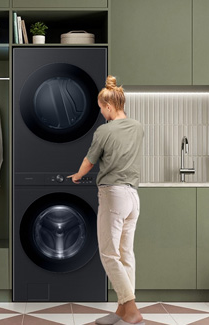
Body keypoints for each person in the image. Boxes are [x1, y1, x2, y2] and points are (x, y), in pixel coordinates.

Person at [68, 75, 145, 325]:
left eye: (101, 108)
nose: (101, 113)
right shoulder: (138, 127)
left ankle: (131, 309)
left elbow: (90, 161)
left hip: (114, 196)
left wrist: (77, 176)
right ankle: (122, 311)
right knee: (126, 254)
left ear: (109, 106)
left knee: (109, 254)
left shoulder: (104, 130)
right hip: (133, 197)